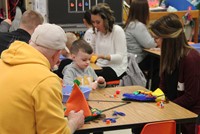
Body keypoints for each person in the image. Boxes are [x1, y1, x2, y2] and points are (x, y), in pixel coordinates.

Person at [0, 23, 84, 134]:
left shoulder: (3, 62)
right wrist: (74, 122)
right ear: (57, 54)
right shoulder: (46, 81)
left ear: (31, 42)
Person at [150, 13, 200, 134]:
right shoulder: (167, 57)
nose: (155, 43)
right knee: (139, 126)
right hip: (173, 110)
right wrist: (152, 98)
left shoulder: (190, 58)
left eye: (157, 38)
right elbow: (163, 88)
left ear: (169, 39)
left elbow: (190, 97)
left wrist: (166, 106)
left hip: (189, 116)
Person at [124, 0, 159, 90]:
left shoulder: (130, 24)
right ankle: (154, 89)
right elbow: (149, 43)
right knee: (159, 62)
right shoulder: (138, 25)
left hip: (130, 59)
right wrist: (160, 40)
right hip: (137, 60)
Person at [90, 3, 128, 82]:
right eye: (93, 22)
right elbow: (91, 49)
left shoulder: (117, 31)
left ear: (106, 20)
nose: (95, 25)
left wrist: (102, 56)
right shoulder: (96, 31)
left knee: (89, 75)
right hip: (100, 66)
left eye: (98, 22)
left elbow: (119, 58)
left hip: (116, 68)